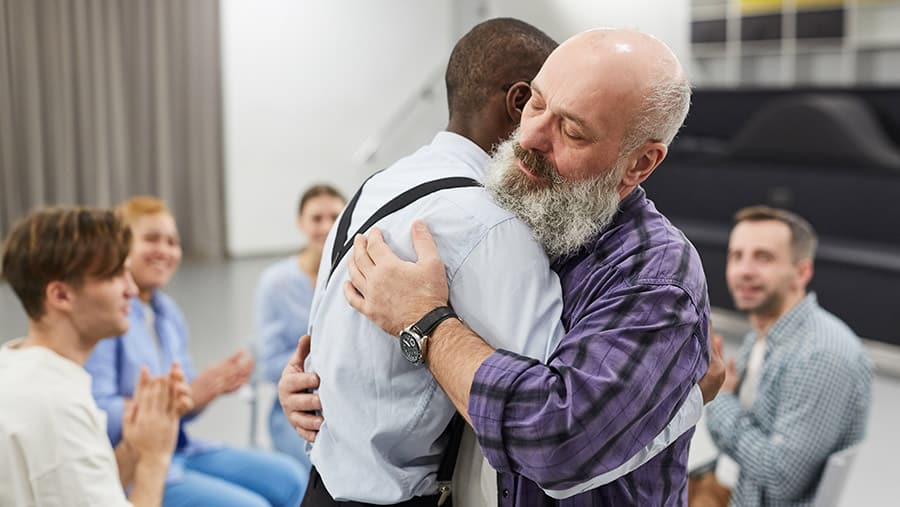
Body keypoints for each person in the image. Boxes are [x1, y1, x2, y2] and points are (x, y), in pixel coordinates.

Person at [282, 21, 715, 506]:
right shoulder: (524, 204)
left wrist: (425, 325)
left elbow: (559, 440)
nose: (529, 136)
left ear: (639, 164)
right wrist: (329, 384)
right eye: (536, 103)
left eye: (571, 130)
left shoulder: (653, 278)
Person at [85, 196, 305, 507]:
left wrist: (207, 390)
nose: (165, 250)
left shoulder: (167, 312)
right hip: (132, 464)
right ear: (120, 247)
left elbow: (184, 403)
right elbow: (98, 414)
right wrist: (175, 402)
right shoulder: (110, 316)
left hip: (180, 449)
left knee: (291, 477)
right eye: (151, 239)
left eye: (172, 242)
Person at [689, 206, 873, 507]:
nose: (744, 270)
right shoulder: (764, 334)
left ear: (802, 272)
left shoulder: (820, 355)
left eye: (764, 258)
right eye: (737, 255)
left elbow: (779, 481)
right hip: (723, 484)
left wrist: (722, 398)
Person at [0, 206, 184, 507]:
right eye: (115, 275)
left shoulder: (16, 364)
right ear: (60, 296)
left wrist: (133, 448)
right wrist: (154, 459)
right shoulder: (57, 408)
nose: (132, 289)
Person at [255, 184, 345, 468]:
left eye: (335, 217)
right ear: (300, 223)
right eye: (317, 218)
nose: (327, 226)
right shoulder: (276, 283)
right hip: (296, 407)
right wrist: (323, 365)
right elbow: (269, 364)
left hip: (347, 402)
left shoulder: (354, 273)